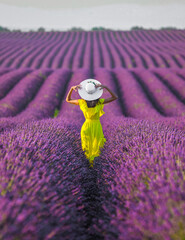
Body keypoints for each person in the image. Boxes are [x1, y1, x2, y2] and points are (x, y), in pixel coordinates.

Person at [66, 79, 118, 168]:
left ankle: (87, 167)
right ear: (95, 93)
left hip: (86, 126)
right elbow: (114, 97)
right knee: (97, 146)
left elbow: (68, 100)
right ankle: (96, 167)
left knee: (86, 147)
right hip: (96, 126)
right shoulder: (99, 102)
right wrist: (106, 88)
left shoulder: (82, 102)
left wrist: (71, 89)